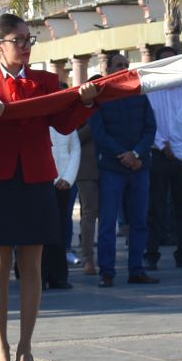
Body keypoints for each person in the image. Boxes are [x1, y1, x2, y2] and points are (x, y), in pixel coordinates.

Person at [0, 13, 99, 361]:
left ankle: (25, 346)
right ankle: (0, 346)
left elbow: (64, 123)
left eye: (29, 39)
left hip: (36, 176)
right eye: (18, 40)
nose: (25, 47)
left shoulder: (46, 81)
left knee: (32, 265)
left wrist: (84, 102)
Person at [91, 53, 157, 286]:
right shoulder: (101, 96)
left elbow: (150, 128)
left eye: (127, 65)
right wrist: (124, 155)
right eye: (119, 65)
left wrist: (136, 154)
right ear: (107, 69)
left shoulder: (138, 93)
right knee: (108, 222)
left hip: (139, 167)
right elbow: (99, 134)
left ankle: (136, 270)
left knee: (139, 221)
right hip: (112, 167)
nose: (124, 68)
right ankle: (106, 272)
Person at [144, 48, 182, 272]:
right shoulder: (150, 92)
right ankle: (151, 254)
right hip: (159, 155)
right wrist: (164, 144)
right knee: (156, 207)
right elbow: (148, 125)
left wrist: (179, 147)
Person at [44, 123, 80, 289]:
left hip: (63, 182)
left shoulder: (65, 120)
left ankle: (58, 276)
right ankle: (39, 275)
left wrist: (68, 177)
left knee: (59, 229)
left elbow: (75, 149)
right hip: (41, 181)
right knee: (39, 230)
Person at [74, 95, 101, 276]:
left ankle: (106, 258)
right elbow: (73, 137)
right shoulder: (81, 111)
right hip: (87, 168)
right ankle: (88, 259)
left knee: (106, 214)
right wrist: (93, 123)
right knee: (89, 214)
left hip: (109, 165)